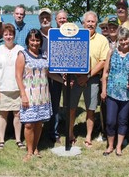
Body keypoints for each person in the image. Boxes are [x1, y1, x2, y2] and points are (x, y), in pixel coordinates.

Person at [15, 29, 63, 162]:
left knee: (39, 124)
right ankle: (29, 151)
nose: (35, 43)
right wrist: (23, 94)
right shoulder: (22, 55)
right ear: (28, 41)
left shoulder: (44, 55)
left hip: (43, 96)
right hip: (29, 95)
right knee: (29, 124)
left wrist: (63, 81)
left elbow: (49, 73)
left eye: (37, 40)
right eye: (32, 40)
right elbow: (18, 76)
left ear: (41, 42)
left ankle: (35, 148)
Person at [101, 27, 129, 156]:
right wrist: (103, 90)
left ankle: (119, 146)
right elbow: (105, 73)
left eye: (126, 39)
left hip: (127, 94)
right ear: (118, 40)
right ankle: (110, 146)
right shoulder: (111, 52)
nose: (124, 42)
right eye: (121, 40)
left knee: (123, 120)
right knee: (110, 121)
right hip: (111, 93)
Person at [69, 11, 109, 147]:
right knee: (72, 108)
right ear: (83, 23)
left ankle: (88, 136)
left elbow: (103, 61)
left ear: (96, 24)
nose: (90, 24)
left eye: (93, 22)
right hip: (75, 78)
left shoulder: (102, 40)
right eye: (88, 21)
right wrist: (75, 76)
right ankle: (70, 134)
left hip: (92, 79)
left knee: (90, 110)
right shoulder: (75, 36)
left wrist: (87, 76)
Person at [0, 23, 25, 149]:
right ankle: (1, 140)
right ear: (3, 35)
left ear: (14, 35)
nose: (8, 37)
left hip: (17, 88)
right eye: (6, 34)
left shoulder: (20, 50)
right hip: (3, 87)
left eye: (10, 34)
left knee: (18, 114)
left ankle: (18, 139)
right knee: (3, 114)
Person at [48, 9, 68, 144]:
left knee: (69, 104)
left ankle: (69, 131)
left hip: (70, 75)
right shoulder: (52, 34)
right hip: (54, 75)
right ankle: (53, 132)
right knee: (54, 104)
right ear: (56, 20)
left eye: (64, 18)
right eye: (59, 18)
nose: (62, 20)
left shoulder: (73, 34)